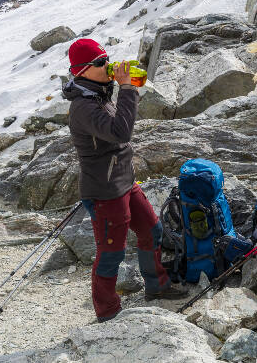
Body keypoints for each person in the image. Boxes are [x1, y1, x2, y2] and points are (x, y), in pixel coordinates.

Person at [62, 38, 187, 323]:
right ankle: (108, 313)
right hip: (105, 192)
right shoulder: (83, 106)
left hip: (125, 181)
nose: (107, 65)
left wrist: (123, 87)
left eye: (107, 58)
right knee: (111, 254)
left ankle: (156, 286)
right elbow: (121, 132)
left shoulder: (98, 93)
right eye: (100, 62)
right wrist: (127, 89)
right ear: (81, 70)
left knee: (152, 230)